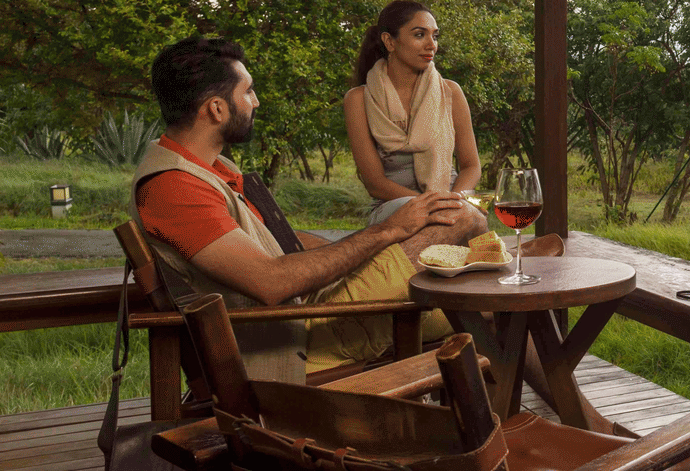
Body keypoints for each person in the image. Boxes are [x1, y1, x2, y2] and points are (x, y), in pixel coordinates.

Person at [131, 36, 487, 381]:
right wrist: (389, 230)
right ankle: (506, 425)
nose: (255, 102)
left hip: (308, 313)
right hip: (296, 343)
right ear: (216, 108)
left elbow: (278, 244)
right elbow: (269, 283)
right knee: (462, 220)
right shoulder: (174, 187)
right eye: (248, 91)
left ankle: (512, 425)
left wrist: (371, 248)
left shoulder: (209, 170)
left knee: (491, 307)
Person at [343, 1, 483, 225]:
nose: (432, 45)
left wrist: (453, 201)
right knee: (425, 221)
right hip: (395, 207)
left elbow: (471, 166)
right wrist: (429, 207)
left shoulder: (451, 92)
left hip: (452, 201)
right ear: (390, 41)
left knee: (468, 217)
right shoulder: (358, 99)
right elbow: (374, 183)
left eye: (435, 36)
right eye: (420, 35)